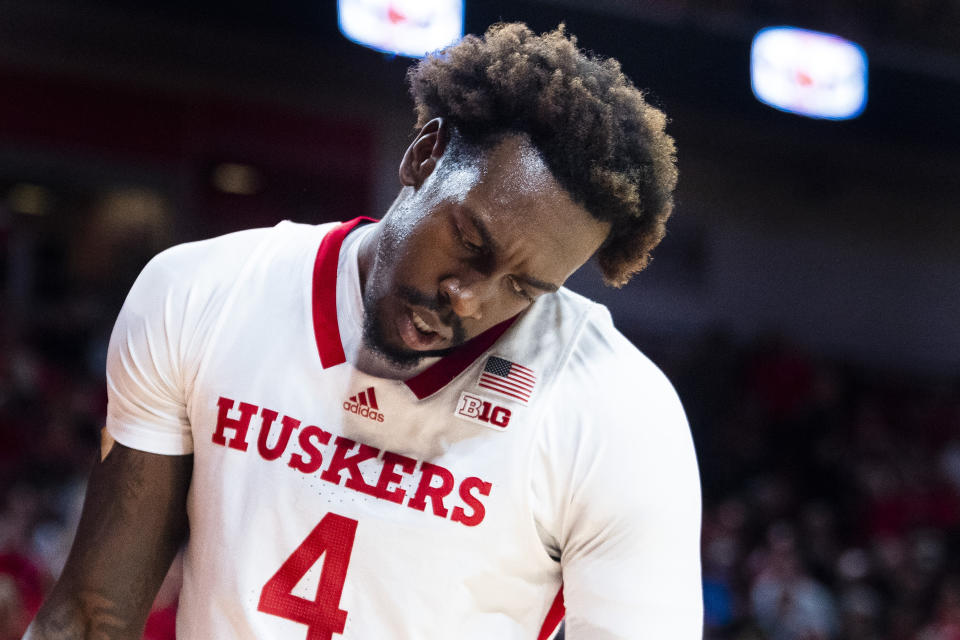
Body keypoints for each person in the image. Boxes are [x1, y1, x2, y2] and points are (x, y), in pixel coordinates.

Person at [25, 22, 702, 640]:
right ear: (425, 155)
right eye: (469, 241)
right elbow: (93, 616)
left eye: (523, 288)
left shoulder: (620, 413)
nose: (469, 299)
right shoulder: (203, 291)